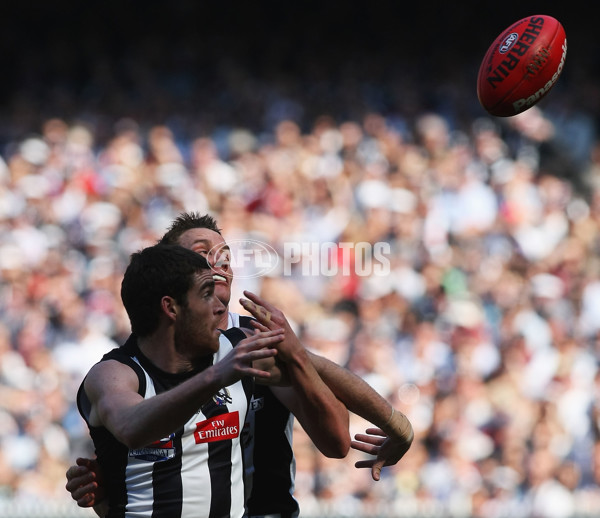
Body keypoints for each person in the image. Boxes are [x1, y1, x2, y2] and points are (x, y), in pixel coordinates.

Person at [67, 212, 414, 517]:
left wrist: (396, 424)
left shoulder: (248, 340)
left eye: (225, 258)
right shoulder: (121, 371)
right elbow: (135, 443)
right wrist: (110, 479)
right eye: (202, 256)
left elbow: (335, 435)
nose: (217, 266)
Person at [77, 243, 286, 517]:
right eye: (207, 294)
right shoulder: (114, 374)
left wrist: (298, 354)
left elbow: (335, 436)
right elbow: (130, 428)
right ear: (171, 307)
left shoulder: (234, 349)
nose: (220, 306)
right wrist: (216, 377)